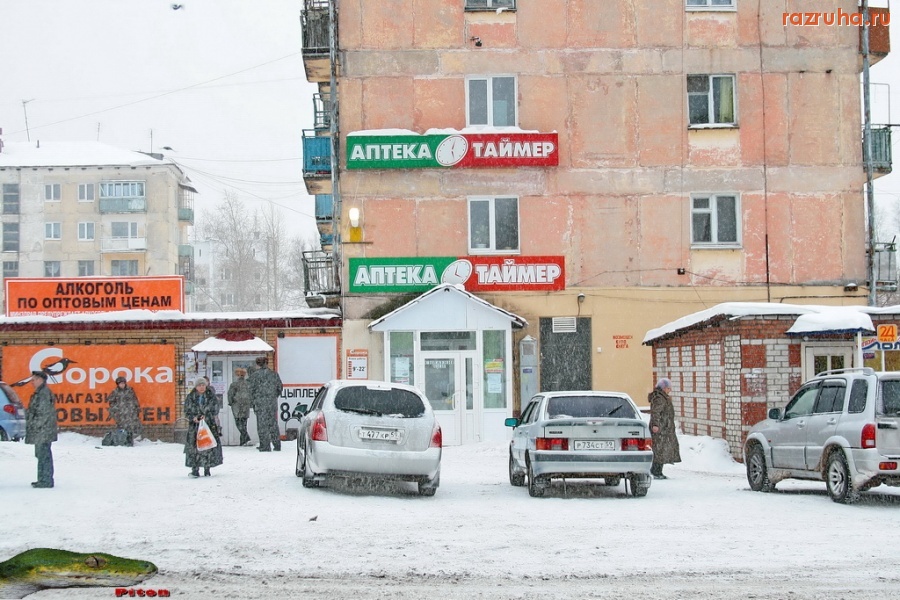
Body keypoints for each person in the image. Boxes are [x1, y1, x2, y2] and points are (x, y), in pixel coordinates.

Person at [183, 377, 223, 477]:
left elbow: (215, 409)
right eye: (199, 385)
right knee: (194, 447)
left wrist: (207, 416)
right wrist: (193, 418)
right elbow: (187, 411)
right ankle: (195, 469)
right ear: (196, 387)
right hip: (195, 427)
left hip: (208, 425)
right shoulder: (191, 397)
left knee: (207, 446)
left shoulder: (211, 396)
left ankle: (207, 468)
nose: (201, 387)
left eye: (203, 385)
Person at [25, 371, 57, 488]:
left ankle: (46, 480)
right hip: (42, 430)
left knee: (44, 455)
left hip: (43, 430)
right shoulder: (40, 393)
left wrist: (34, 425)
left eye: (34, 380)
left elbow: (43, 414)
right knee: (41, 454)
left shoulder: (43, 394)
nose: (32, 382)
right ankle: (43, 479)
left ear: (40, 380)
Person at [648, 377, 681, 479]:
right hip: (661, 428)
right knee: (659, 450)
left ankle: (657, 471)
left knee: (661, 449)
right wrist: (655, 425)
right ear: (663, 388)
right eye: (668, 388)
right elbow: (656, 412)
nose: (670, 390)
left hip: (664, 428)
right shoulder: (660, 398)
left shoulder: (662, 397)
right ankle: (656, 472)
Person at [248, 356, 283, 452]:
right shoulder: (274, 374)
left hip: (260, 404)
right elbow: (280, 387)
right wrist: (273, 396)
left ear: (258, 364)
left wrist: (254, 401)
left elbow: (251, 390)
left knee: (262, 425)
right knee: (273, 424)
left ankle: (265, 445)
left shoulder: (255, 375)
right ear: (266, 363)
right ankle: (277, 445)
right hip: (271, 404)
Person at [107, 376, 143, 443]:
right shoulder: (115, 392)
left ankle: (131, 439)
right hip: (120, 413)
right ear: (118, 384)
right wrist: (115, 409)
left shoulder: (130, 391)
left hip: (130, 412)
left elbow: (135, 400)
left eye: (123, 383)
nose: (122, 385)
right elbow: (111, 402)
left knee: (132, 425)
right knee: (121, 426)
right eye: (121, 383)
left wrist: (137, 408)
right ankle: (123, 439)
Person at [227, 368, 253, 446]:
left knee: (239, 424)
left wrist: (231, 402)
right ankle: (243, 441)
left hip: (237, 406)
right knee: (244, 424)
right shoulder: (248, 384)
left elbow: (230, 395)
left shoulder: (234, 384)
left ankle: (246, 438)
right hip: (246, 406)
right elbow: (251, 394)